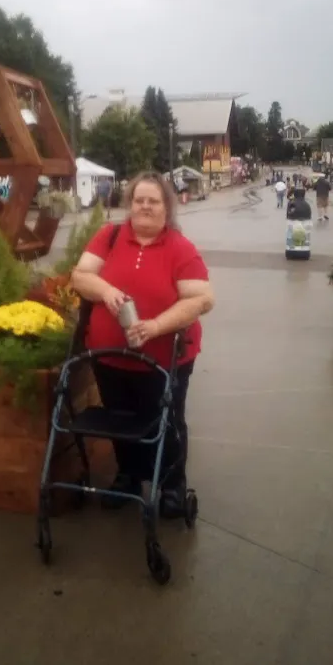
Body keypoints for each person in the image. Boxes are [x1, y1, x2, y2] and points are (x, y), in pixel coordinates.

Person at [71, 171, 214, 514]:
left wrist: (154, 327)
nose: (145, 207)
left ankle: (171, 484)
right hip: (110, 356)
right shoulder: (109, 236)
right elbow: (80, 276)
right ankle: (129, 476)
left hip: (166, 359)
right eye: (139, 200)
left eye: (153, 201)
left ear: (168, 207)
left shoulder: (180, 248)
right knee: (120, 417)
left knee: (166, 419)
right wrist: (106, 290)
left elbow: (202, 298)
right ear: (129, 204)